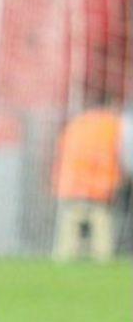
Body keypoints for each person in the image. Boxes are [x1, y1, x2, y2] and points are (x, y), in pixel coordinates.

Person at [51, 105, 124, 262]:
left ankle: (63, 261)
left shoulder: (76, 124)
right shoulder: (113, 125)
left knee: (69, 228)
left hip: (72, 186)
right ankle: (103, 261)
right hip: (101, 187)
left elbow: (61, 150)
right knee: (101, 227)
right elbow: (123, 152)